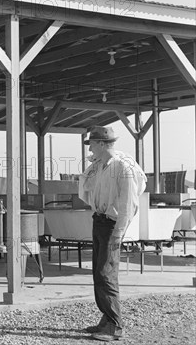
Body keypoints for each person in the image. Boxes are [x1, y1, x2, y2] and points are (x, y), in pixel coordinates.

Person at [79, 126, 146, 341]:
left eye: (91, 143)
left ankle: (115, 324)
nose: (89, 147)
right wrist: (93, 163)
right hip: (100, 221)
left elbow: (128, 205)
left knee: (106, 274)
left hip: (111, 225)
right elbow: (84, 185)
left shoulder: (122, 168)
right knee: (99, 273)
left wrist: (118, 234)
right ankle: (107, 318)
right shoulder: (101, 166)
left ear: (100, 143)